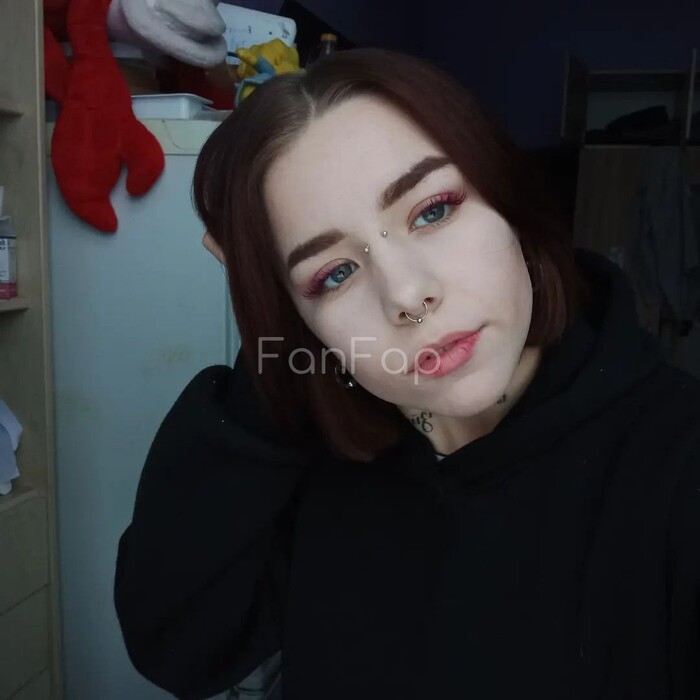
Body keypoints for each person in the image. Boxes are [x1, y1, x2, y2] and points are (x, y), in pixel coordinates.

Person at [114, 48, 700, 700]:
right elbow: (178, 647)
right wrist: (274, 330)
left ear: (508, 200)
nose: (407, 295)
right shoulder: (321, 464)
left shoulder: (676, 466)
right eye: (334, 274)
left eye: (433, 211)